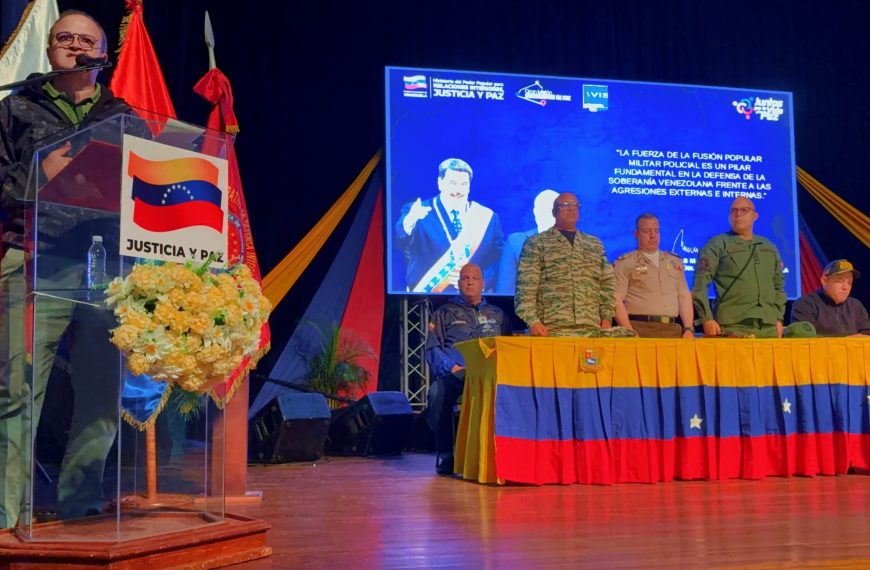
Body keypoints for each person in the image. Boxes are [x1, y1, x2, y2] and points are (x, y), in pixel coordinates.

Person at [0, 10, 130, 527]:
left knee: (101, 393)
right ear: (50, 50)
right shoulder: (16, 109)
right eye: (63, 39)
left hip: (103, 266)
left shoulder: (124, 117)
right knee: (17, 392)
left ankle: (81, 504)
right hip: (33, 259)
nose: (73, 46)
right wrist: (38, 177)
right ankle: (7, 513)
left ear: (103, 54)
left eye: (85, 39)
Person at [425, 263, 509, 475]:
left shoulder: (497, 315)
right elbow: (433, 349)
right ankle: (447, 455)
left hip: (492, 375)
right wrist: (451, 367)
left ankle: (504, 453)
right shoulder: (443, 313)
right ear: (458, 283)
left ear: (483, 283)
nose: (470, 282)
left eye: (475, 278)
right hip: (458, 374)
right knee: (437, 393)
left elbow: (510, 347)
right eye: (465, 278)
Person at [514, 192, 621, 337]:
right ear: (554, 212)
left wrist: (607, 319)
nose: (571, 209)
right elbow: (526, 287)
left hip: (592, 329)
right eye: (565, 205)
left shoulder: (594, 244)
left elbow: (607, 284)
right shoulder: (537, 243)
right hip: (551, 329)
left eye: (575, 205)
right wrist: (533, 322)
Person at [395, 158, 504, 293]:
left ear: (469, 186)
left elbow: (498, 259)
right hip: (426, 303)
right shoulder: (418, 211)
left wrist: (477, 281)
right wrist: (410, 220)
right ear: (440, 183)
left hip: (472, 301)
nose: (457, 190)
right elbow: (400, 241)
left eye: (463, 184)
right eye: (452, 183)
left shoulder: (487, 217)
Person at [692, 197, 786, 338]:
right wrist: (707, 318)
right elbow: (699, 286)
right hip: (732, 327)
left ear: (755, 216)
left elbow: (778, 287)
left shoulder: (769, 248)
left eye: (744, 210)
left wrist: (778, 318)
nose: (738, 214)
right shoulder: (717, 245)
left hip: (768, 328)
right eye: (733, 211)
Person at [613, 213, 694, 338]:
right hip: (639, 329)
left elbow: (684, 295)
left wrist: (688, 328)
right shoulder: (625, 263)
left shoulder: (674, 261)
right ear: (636, 234)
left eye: (656, 231)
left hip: (672, 330)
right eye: (647, 231)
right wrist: (629, 331)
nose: (653, 236)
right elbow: (616, 299)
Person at [496, 189, 558, 292]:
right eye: (541, 209)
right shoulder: (515, 243)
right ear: (535, 212)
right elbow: (505, 289)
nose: (545, 214)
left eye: (551, 210)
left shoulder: (577, 243)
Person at [790, 259, 870, 337]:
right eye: (840, 281)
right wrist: (845, 343)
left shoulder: (856, 306)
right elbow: (804, 340)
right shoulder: (805, 305)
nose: (845, 287)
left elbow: (867, 334)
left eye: (849, 282)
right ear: (824, 281)